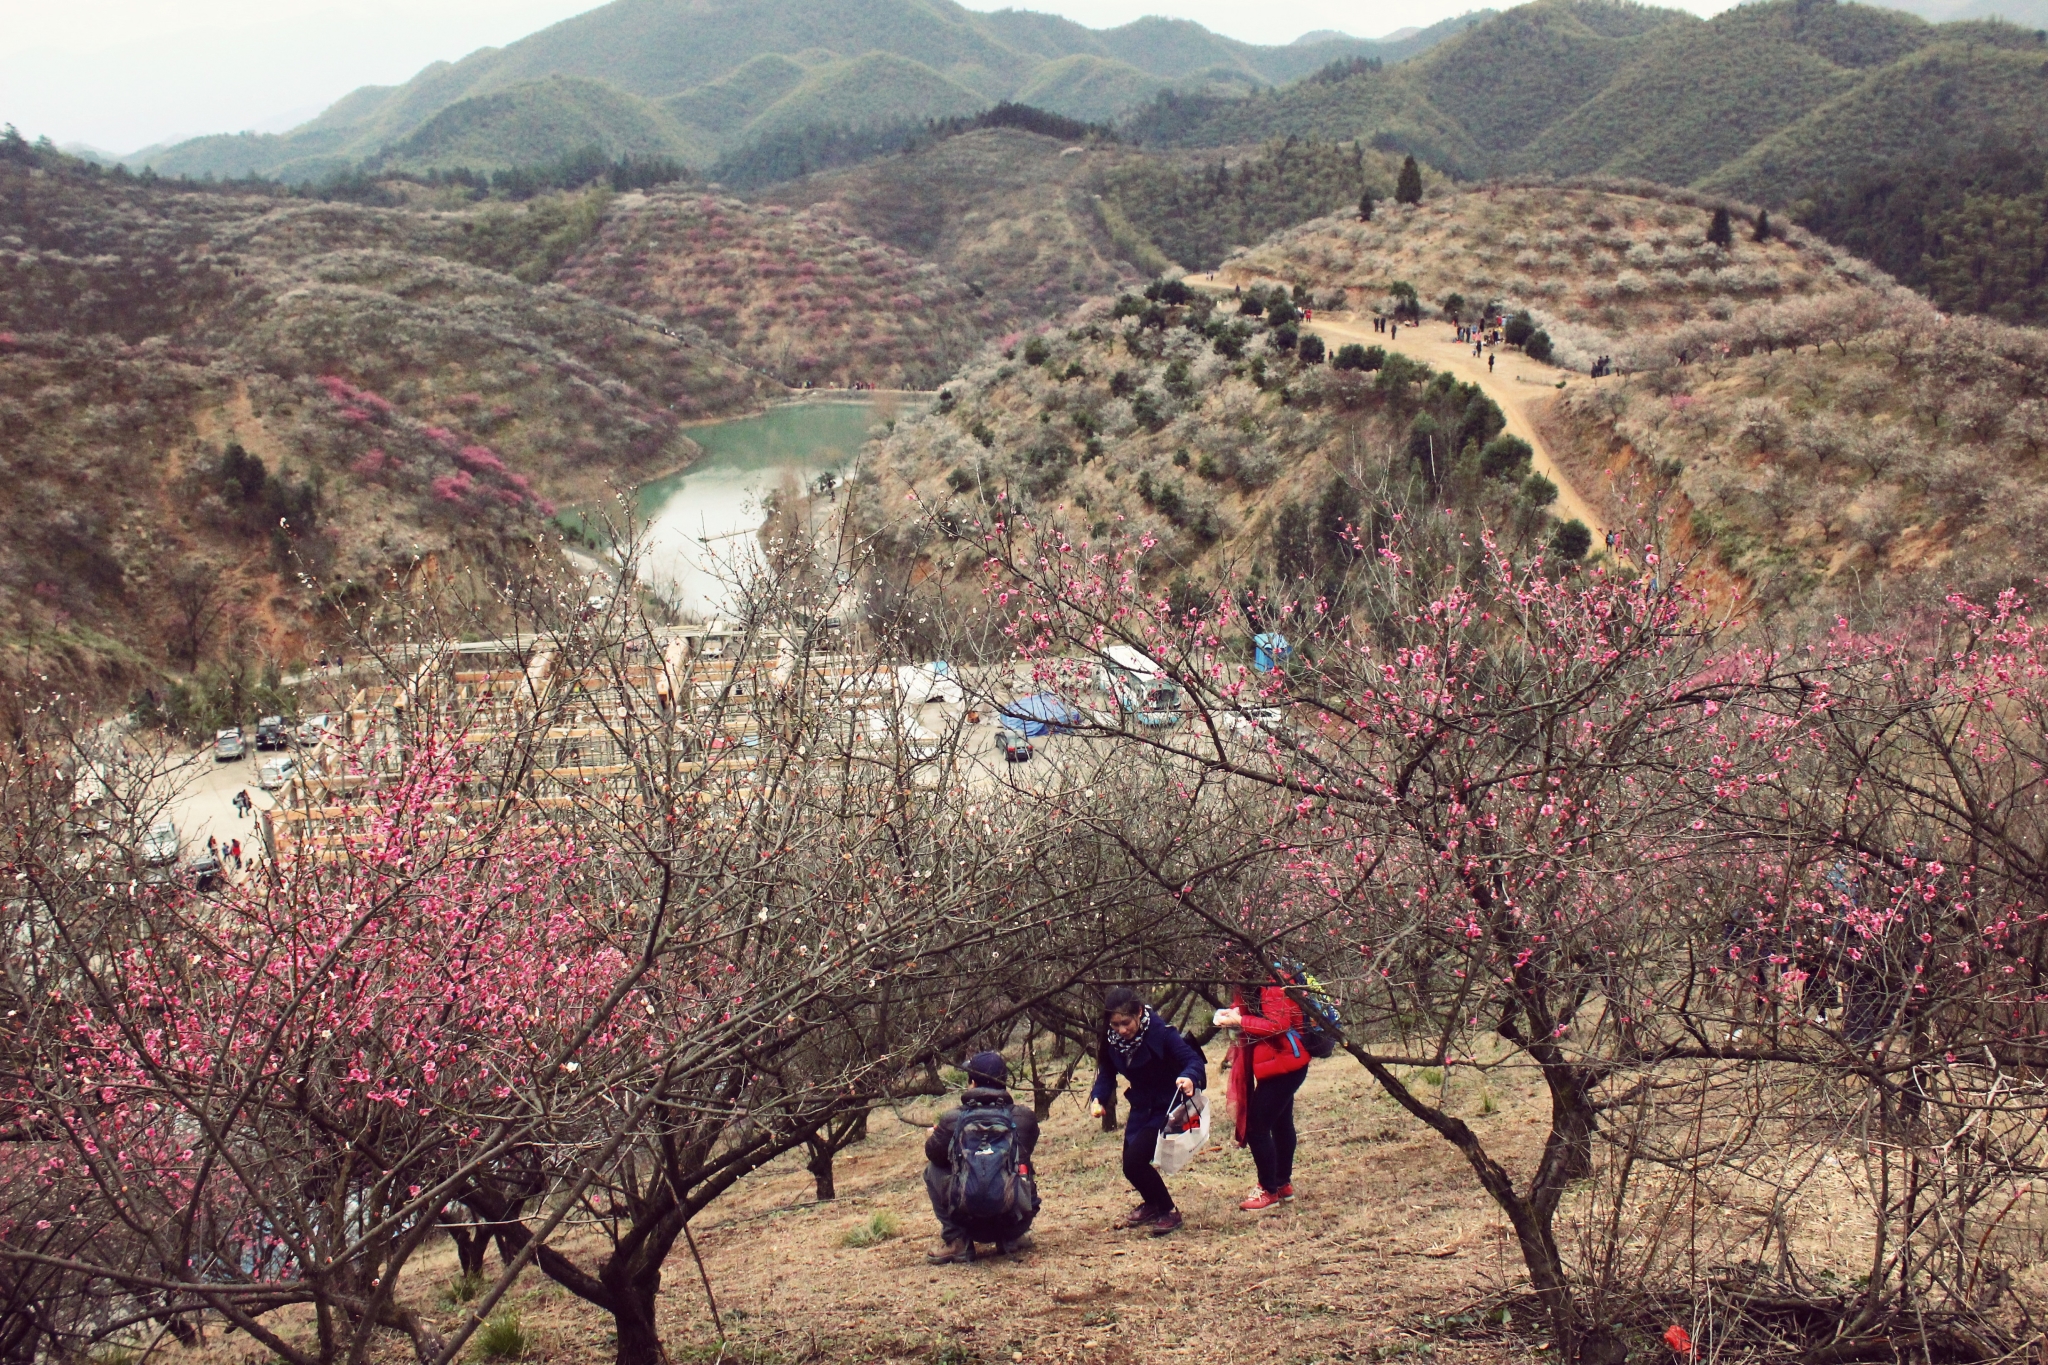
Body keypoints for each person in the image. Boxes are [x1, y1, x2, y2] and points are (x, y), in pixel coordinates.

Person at [1089, 987, 1206, 1236]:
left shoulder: (1160, 1033)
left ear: (1139, 1013)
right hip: (1142, 1105)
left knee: (1136, 1161)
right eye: (1115, 1024)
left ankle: (1169, 1210)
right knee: (1130, 1166)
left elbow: (1192, 1060)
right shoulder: (1112, 1042)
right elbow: (1107, 1072)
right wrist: (1098, 1097)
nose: (1121, 1030)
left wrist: (1188, 1077)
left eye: (1126, 1022)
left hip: (1167, 1103)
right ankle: (1152, 1204)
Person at [1214, 954, 1312, 1211]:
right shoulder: (1257, 984)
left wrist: (1240, 1020)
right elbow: (1262, 1013)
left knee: (1258, 1127)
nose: (1229, 971)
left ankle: (1269, 1190)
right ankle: (1282, 1184)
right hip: (1280, 1063)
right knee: (1280, 1123)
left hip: (1286, 1064)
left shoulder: (1271, 984)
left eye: (1231, 964)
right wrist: (1236, 1013)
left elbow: (1278, 1024)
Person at [925, 1051, 1040, 1265]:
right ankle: (1011, 1237)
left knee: (932, 1169)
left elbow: (933, 1154)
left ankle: (957, 1240)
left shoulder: (953, 1119)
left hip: (968, 1221)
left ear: (973, 1082)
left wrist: (937, 1134)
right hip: (1013, 1220)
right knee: (1020, 1163)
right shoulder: (1024, 1118)